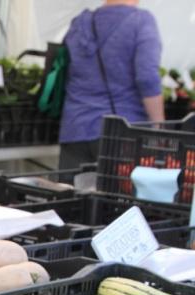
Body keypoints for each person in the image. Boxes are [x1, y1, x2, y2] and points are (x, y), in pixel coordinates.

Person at [59, 0, 164, 171]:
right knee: (118, 196)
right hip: (121, 131)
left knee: (72, 194)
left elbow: (67, 72)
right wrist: (159, 127)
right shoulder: (141, 21)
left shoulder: (80, 22)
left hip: (75, 128)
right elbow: (147, 78)